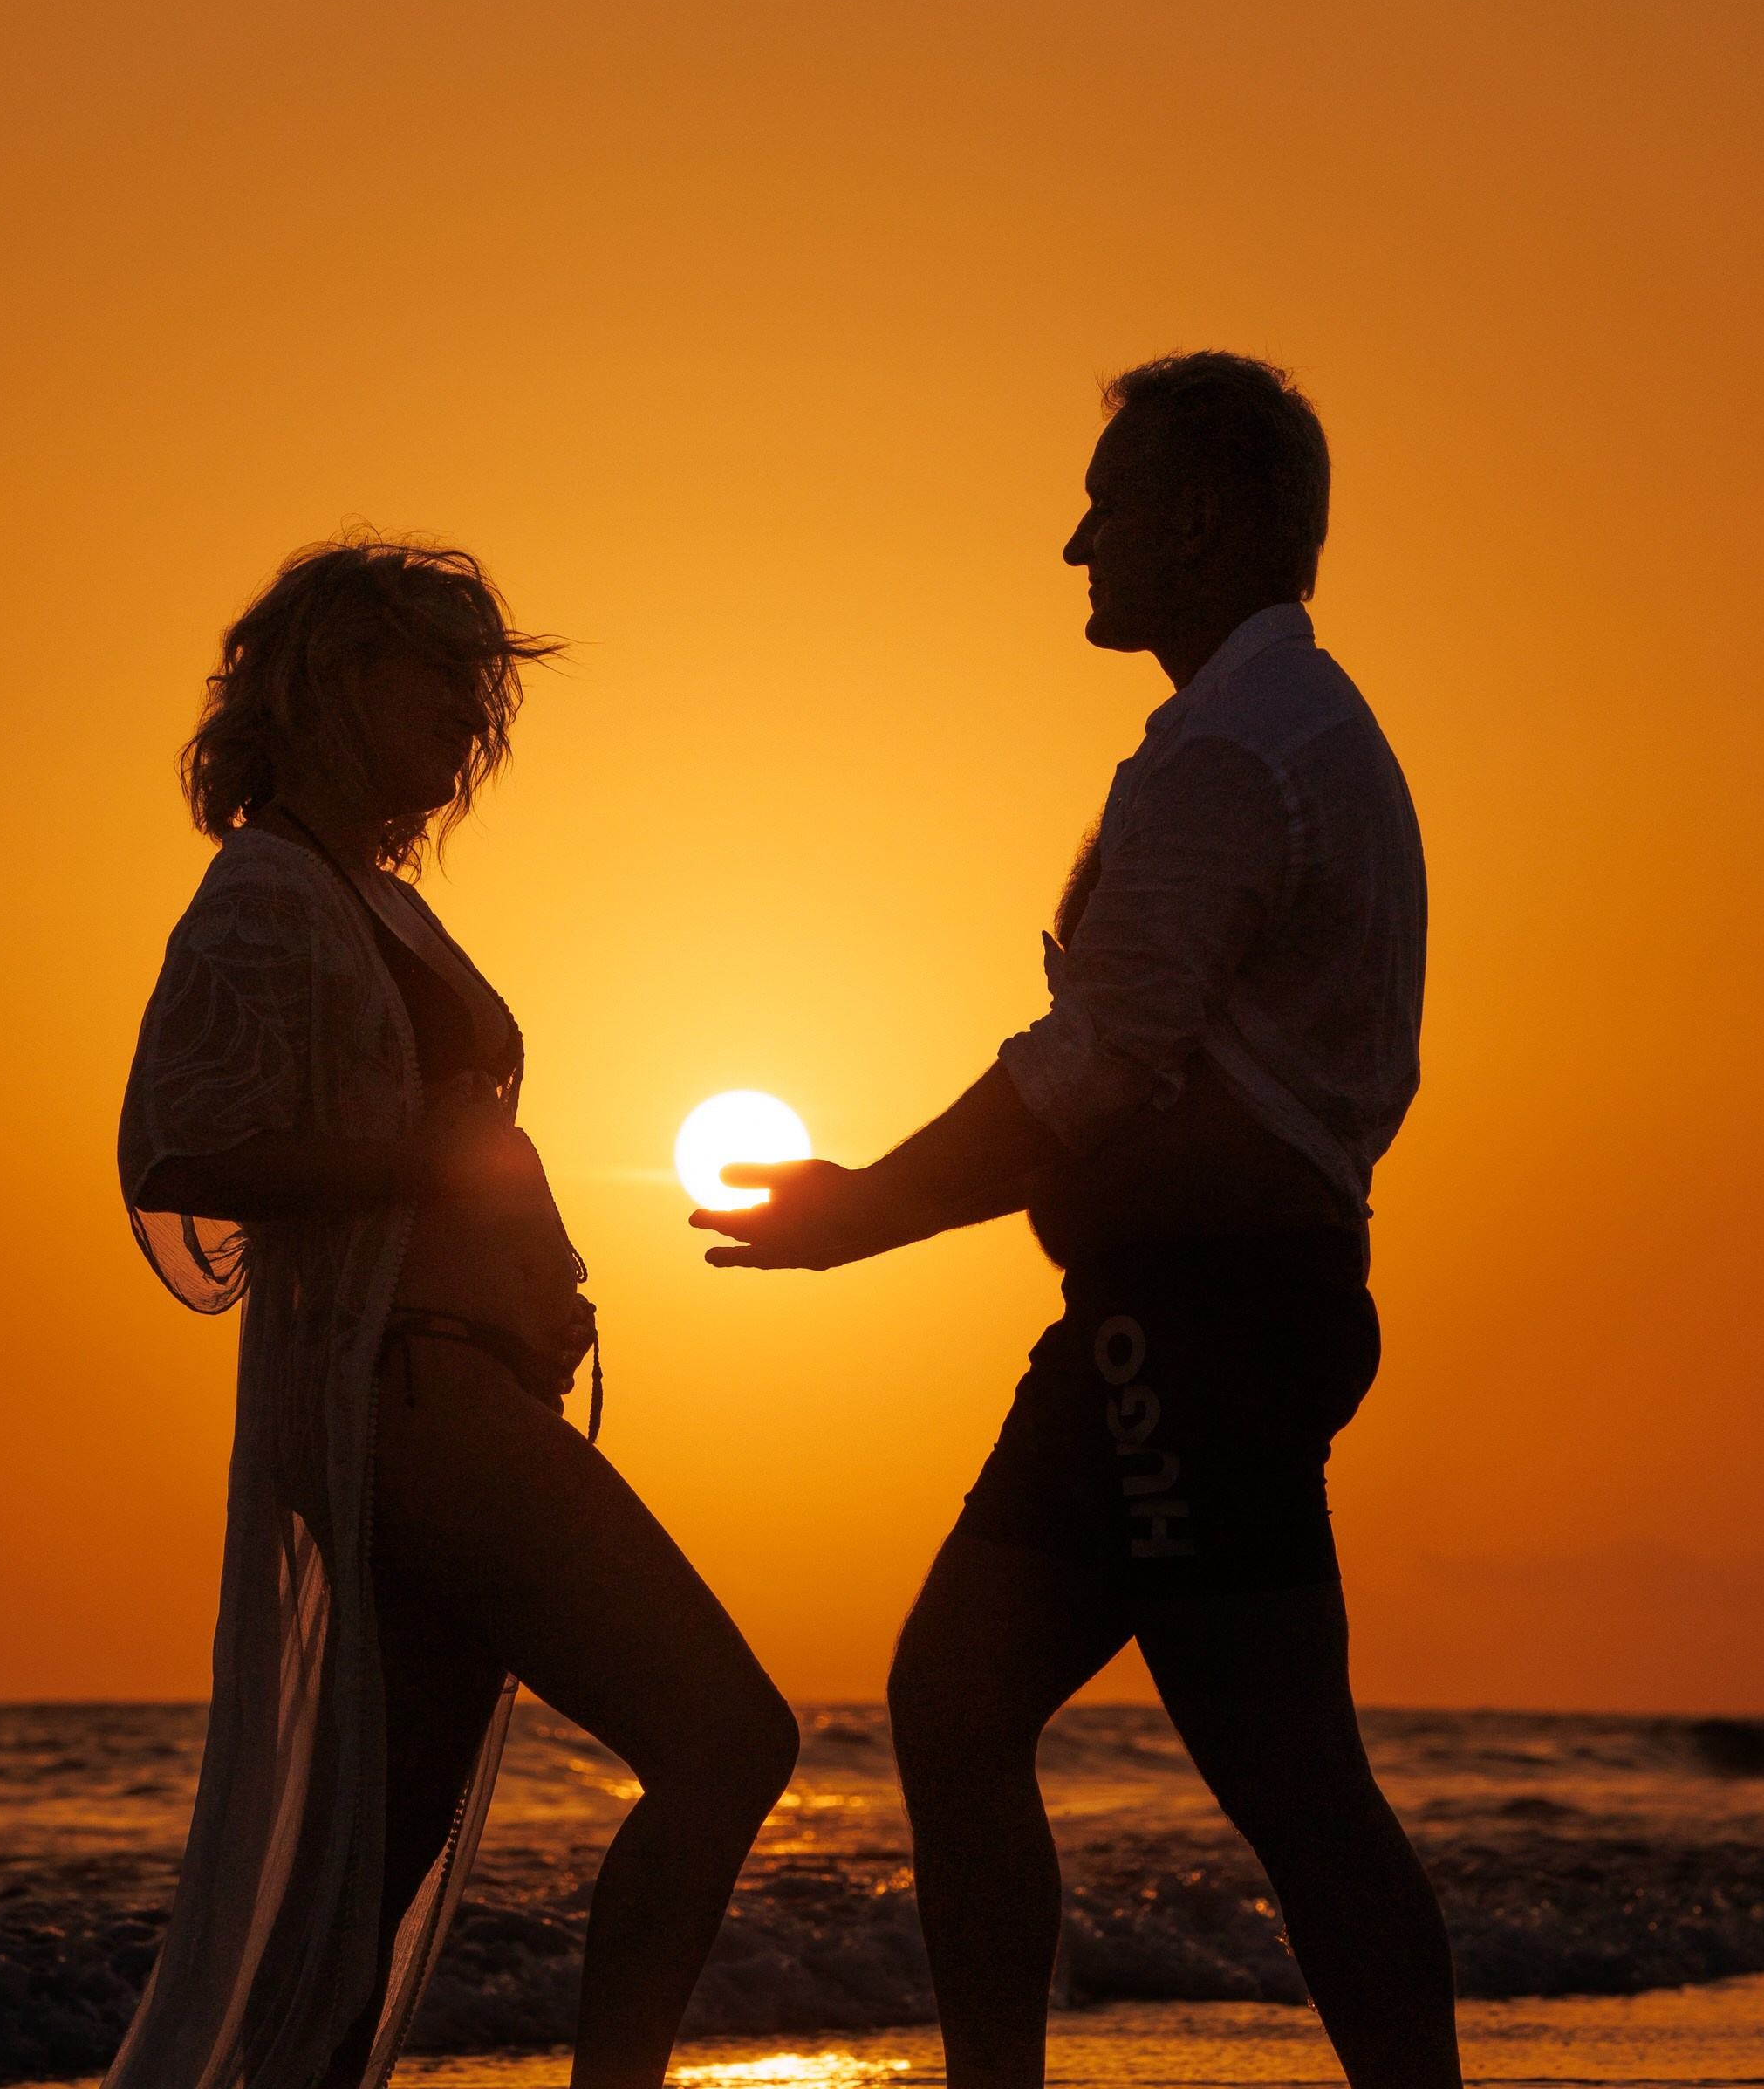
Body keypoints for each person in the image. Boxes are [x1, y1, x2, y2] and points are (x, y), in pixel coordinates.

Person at [693, 354, 1460, 2087]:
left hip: (1202, 1335)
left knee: (1288, 1775)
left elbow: (1101, 1067)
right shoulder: (1288, 737)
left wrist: (864, 1211)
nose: (1074, 543)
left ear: (1197, 520)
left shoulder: (1237, 757)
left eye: (1106, 505)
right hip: (1174, 1324)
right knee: (958, 1702)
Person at [110, 538, 797, 2089]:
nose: (470, 711)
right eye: (439, 671)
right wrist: (415, 1168)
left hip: (464, 1387)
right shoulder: (268, 895)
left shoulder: (371, 893)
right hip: (412, 1402)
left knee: (368, 1875)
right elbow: (176, 1150)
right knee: (728, 1738)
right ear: (327, 681)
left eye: (480, 682)